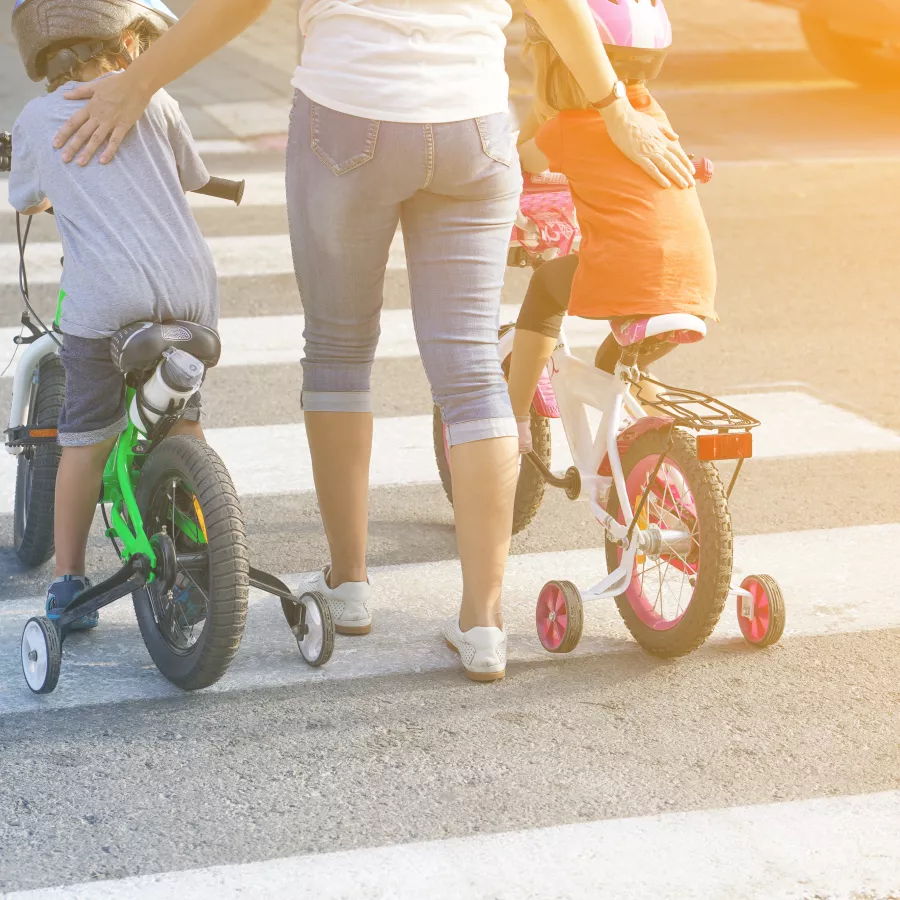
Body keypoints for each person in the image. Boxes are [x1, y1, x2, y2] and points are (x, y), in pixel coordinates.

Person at [51, 0, 697, 683]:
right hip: (472, 127)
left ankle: (350, 583)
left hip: (347, 116)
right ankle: (483, 623)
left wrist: (137, 81)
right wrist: (612, 104)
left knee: (337, 349)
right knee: (474, 370)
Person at [8, 0, 217, 628]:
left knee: (86, 439)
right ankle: (211, 543)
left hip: (106, 298)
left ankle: (69, 584)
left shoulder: (36, 117)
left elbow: (25, 197)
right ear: (125, 43)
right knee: (180, 420)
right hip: (193, 296)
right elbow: (190, 174)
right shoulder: (159, 100)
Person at [507, 0, 718, 451]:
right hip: (693, 287)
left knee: (546, 286)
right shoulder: (649, 119)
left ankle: (516, 415)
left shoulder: (565, 129)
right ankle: (673, 450)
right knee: (619, 368)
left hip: (631, 275)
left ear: (560, 64)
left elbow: (518, 164)